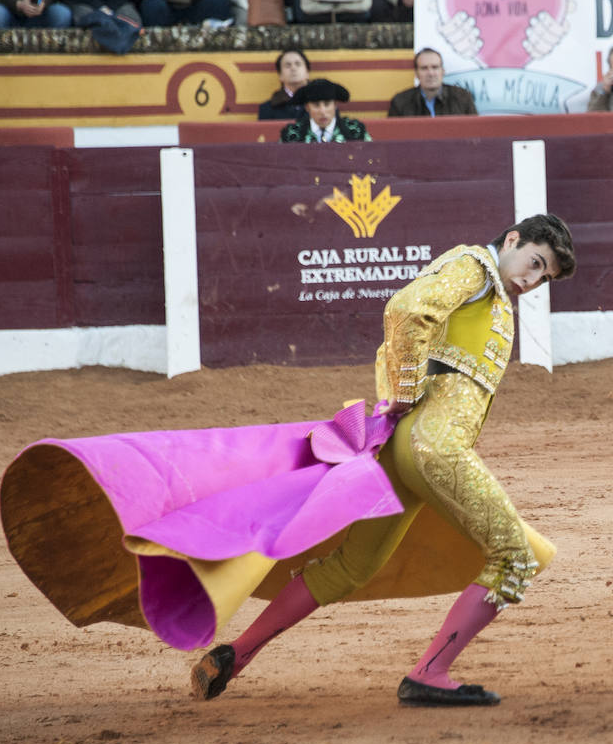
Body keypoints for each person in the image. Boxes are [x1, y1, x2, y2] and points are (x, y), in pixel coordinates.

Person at [190, 214, 577, 707]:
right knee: (514, 557)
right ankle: (430, 673)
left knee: (351, 565)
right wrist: (405, 391)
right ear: (514, 240)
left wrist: (402, 400)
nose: (532, 280)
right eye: (534, 264)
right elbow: (406, 309)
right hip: (434, 446)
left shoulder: (484, 284)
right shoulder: (476, 268)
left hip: (403, 447)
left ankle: (235, 655)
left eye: (543, 277)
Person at [386, 47, 479, 118]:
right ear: (416, 73)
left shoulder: (463, 98)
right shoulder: (400, 102)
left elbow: (476, 133)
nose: (430, 73)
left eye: (435, 67)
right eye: (424, 68)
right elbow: (393, 138)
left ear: (443, 71)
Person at [279, 78, 371, 142]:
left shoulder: (356, 131)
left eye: (327, 105)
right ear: (307, 107)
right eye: (316, 105)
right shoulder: (291, 134)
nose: (322, 111)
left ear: (335, 105)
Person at [258, 47, 310, 121]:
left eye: (298, 64)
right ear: (280, 76)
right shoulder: (267, 109)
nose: (293, 68)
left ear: (307, 72)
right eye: (288, 65)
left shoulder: (325, 103)